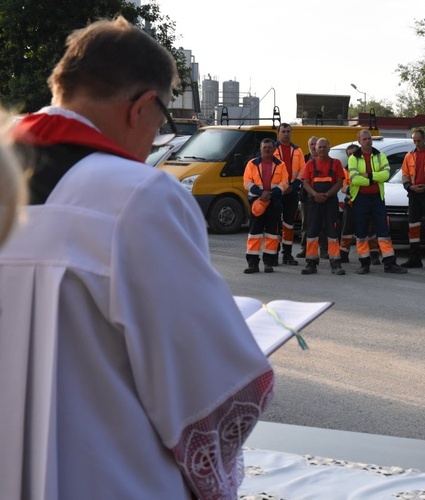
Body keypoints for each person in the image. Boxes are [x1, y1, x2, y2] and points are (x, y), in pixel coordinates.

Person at [0, 17, 273, 499]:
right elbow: (210, 391)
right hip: (105, 479)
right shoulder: (138, 198)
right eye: (163, 121)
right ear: (143, 106)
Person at [348, 129, 407, 274]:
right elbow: (354, 178)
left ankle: (389, 263)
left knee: (384, 231)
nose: (368, 141)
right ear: (359, 141)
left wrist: (367, 176)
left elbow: (386, 174)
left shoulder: (380, 156)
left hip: (377, 198)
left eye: (369, 139)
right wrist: (374, 178)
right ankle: (364, 264)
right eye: (365, 139)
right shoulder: (353, 158)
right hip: (360, 199)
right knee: (361, 232)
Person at [300, 137, 346, 275]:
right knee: (312, 233)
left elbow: (339, 182)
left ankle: (336, 264)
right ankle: (311, 264)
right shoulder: (310, 164)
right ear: (315, 149)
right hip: (314, 202)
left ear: (329, 148)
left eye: (324, 147)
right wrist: (315, 195)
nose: (321, 149)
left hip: (330, 201)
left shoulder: (336, 163)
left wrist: (326, 195)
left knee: (332, 233)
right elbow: (305, 183)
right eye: (319, 147)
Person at [244, 138, 289, 273]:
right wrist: (260, 193)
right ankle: (252, 264)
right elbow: (247, 182)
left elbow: (285, 182)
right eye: (265, 147)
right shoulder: (252, 164)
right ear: (260, 149)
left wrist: (271, 193)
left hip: (274, 202)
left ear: (274, 149)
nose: (267, 149)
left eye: (269, 147)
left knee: (272, 234)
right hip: (257, 202)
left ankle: (268, 263)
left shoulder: (280, 164)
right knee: (254, 233)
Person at [401, 129, 425, 269]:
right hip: (414, 195)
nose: (417, 143)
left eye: (419, 140)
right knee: (413, 227)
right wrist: (410, 187)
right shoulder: (408, 156)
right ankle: (414, 258)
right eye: (414, 141)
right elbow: (405, 176)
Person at [274, 123, 305, 265]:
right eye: (283, 131)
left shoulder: (297, 150)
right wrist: (281, 187)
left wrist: (294, 185)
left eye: (288, 131)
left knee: (289, 224)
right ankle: (272, 253)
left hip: (292, 191)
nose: (286, 134)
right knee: (273, 223)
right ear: (278, 133)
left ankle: (287, 254)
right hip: (276, 191)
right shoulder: (271, 148)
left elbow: (302, 170)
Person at [339, 143, 359, 263]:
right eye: (349, 154)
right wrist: (350, 190)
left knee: (369, 229)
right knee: (346, 229)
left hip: (364, 201)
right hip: (350, 202)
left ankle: (374, 255)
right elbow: (343, 185)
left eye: (354, 153)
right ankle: (343, 255)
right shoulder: (345, 170)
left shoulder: (363, 166)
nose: (352, 156)